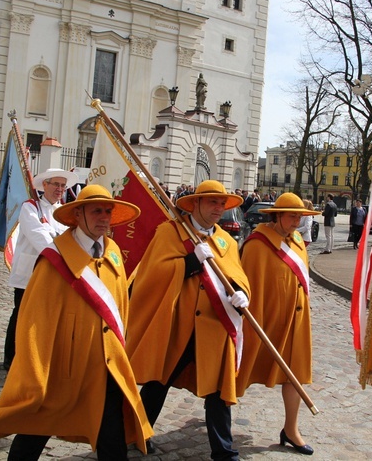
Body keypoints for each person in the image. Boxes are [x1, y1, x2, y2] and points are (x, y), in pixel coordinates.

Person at [0, 184, 153, 460]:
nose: (104, 217)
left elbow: (119, 306)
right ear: (78, 214)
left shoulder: (112, 251)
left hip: (106, 367)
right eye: (96, 211)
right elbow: (33, 321)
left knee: (111, 435)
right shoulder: (55, 258)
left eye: (107, 211)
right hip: (63, 366)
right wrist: (35, 372)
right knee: (36, 426)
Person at [126, 180, 250, 460]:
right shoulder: (170, 232)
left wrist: (242, 293)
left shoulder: (226, 241)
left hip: (215, 325)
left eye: (222, 203)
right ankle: (137, 433)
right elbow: (151, 276)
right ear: (195, 204)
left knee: (219, 389)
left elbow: (237, 275)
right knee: (160, 381)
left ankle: (224, 451)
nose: (218, 208)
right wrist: (191, 262)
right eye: (212, 202)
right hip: (178, 322)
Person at [237, 192, 319, 456]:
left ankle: (291, 429)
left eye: (300, 216)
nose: (297, 222)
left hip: (295, 321)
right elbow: (249, 286)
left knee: (295, 375)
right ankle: (217, 419)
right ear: (277, 215)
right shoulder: (257, 244)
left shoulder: (296, 242)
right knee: (239, 370)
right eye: (292, 216)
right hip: (264, 321)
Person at [3, 168, 80, 370]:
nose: (59, 189)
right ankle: (11, 357)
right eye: (56, 184)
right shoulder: (30, 207)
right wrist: (62, 251)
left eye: (63, 186)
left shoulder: (64, 212)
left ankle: (35, 354)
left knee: (44, 315)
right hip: (29, 272)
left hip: (53, 273)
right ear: (44, 185)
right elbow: (39, 236)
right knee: (21, 313)